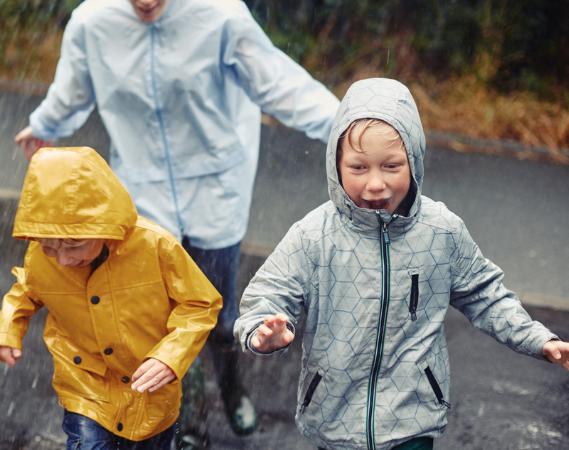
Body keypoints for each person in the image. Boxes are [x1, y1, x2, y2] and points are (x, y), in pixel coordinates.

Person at [13, 1, 340, 445]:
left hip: (216, 184)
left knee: (216, 310)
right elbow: (73, 88)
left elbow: (281, 84)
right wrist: (44, 125)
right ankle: (188, 425)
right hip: (142, 188)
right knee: (158, 315)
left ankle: (231, 384)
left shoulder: (220, 16)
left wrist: (350, 127)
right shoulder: (92, 22)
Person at [234, 78, 569, 450]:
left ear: (414, 160)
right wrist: (262, 334)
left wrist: (540, 339)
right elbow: (268, 295)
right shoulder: (314, 235)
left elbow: (486, 294)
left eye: (391, 166)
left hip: (412, 419)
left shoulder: (441, 231)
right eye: (358, 168)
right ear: (336, 163)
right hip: (333, 420)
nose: (375, 184)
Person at [0, 146, 222, 450]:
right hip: (84, 384)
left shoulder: (155, 246)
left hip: (148, 385)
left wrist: (170, 357)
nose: (63, 260)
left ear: (104, 224)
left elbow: (200, 304)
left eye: (75, 245)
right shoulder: (41, 257)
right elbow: (25, 290)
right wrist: (8, 329)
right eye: (49, 247)